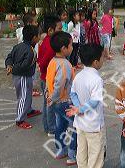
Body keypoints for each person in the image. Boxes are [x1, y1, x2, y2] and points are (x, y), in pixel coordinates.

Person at [66, 44, 106, 168]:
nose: (103, 60)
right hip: (94, 125)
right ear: (95, 62)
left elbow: (73, 93)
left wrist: (78, 108)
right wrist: (81, 109)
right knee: (95, 156)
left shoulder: (79, 75)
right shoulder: (96, 79)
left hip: (80, 124)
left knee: (82, 152)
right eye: (102, 58)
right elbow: (95, 101)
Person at [46, 31, 77, 165]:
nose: (72, 47)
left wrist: (49, 96)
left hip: (56, 101)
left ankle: (60, 150)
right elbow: (59, 84)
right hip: (65, 101)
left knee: (60, 126)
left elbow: (49, 80)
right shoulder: (65, 64)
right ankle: (72, 154)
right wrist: (53, 98)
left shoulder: (52, 61)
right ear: (64, 49)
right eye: (71, 45)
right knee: (75, 127)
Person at [5, 25, 41, 129]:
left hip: (21, 76)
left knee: (27, 94)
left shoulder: (18, 46)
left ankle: (28, 110)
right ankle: (20, 119)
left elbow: (9, 57)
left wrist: (9, 65)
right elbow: (24, 66)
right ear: (34, 38)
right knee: (23, 97)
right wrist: (12, 69)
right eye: (38, 36)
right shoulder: (31, 51)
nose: (39, 38)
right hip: (23, 76)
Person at [38, 15, 62, 136]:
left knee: (46, 102)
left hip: (45, 77)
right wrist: (46, 73)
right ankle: (52, 129)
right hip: (48, 78)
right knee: (50, 104)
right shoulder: (50, 45)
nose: (61, 31)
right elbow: (42, 62)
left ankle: (47, 126)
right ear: (50, 30)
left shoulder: (47, 41)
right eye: (59, 28)